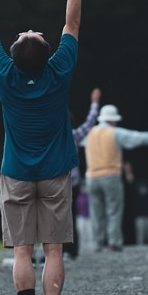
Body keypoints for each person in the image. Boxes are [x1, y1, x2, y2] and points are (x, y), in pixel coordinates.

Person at [0, 0, 85, 295]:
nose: (30, 28)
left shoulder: (5, 77)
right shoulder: (58, 73)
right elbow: (71, 24)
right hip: (56, 172)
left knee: (22, 251)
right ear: (48, 53)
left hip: (17, 173)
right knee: (54, 250)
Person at [83, 105, 148, 252]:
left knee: (96, 211)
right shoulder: (113, 132)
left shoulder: (90, 134)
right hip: (110, 174)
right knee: (113, 209)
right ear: (113, 121)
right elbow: (135, 137)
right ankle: (114, 242)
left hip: (91, 177)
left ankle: (97, 243)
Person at [64, 87, 102, 260]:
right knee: (69, 216)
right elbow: (90, 122)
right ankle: (72, 250)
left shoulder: (51, 137)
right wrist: (94, 103)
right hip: (73, 180)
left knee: (55, 217)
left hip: (56, 180)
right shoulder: (74, 135)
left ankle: (58, 250)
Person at [124, 158, 148, 244]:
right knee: (140, 240)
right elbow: (130, 179)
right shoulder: (135, 185)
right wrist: (127, 170)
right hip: (139, 216)